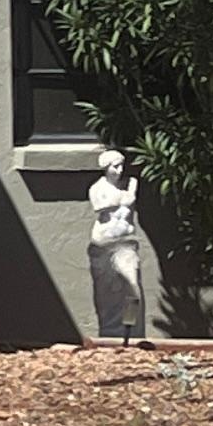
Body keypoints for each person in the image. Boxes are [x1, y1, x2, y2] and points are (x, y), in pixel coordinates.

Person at [86, 147, 150, 345]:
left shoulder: (130, 185)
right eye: (115, 166)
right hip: (103, 245)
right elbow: (100, 206)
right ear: (106, 168)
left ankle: (130, 331)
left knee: (133, 289)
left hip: (126, 244)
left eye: (122, 165)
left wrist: (128, 194)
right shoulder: (98, 189)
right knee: (107, 294)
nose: (120, 170)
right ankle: (109, 335)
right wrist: (122, 198)